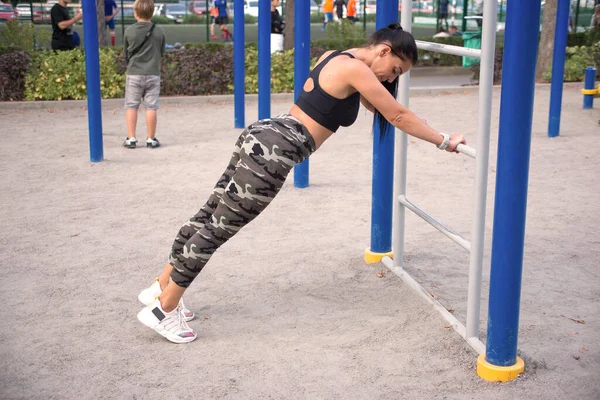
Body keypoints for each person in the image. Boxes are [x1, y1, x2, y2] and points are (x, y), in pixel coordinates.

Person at [136, 23, 467, 343]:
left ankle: (160, 287)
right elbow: (397, 115)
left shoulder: (341, 58)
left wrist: (407, 109)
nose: (392, 77)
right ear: (383, 51)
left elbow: (382, 105)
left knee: (208, 215)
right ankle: (162, 311)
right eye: (395, 69)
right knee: (217, 228)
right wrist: (443, 140)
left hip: (263, 135)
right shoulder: (356, 69)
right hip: (273, 153)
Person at [122, 0, 166, 149]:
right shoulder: (159, 31)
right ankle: (151, 138)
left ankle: (131, 138)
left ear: (135, 13)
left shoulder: (129, 31)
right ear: (152, 12)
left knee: (131, 105)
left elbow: (126, 52)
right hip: (153, 72)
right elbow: (161, 52)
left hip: (134, 73)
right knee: (151, 107)